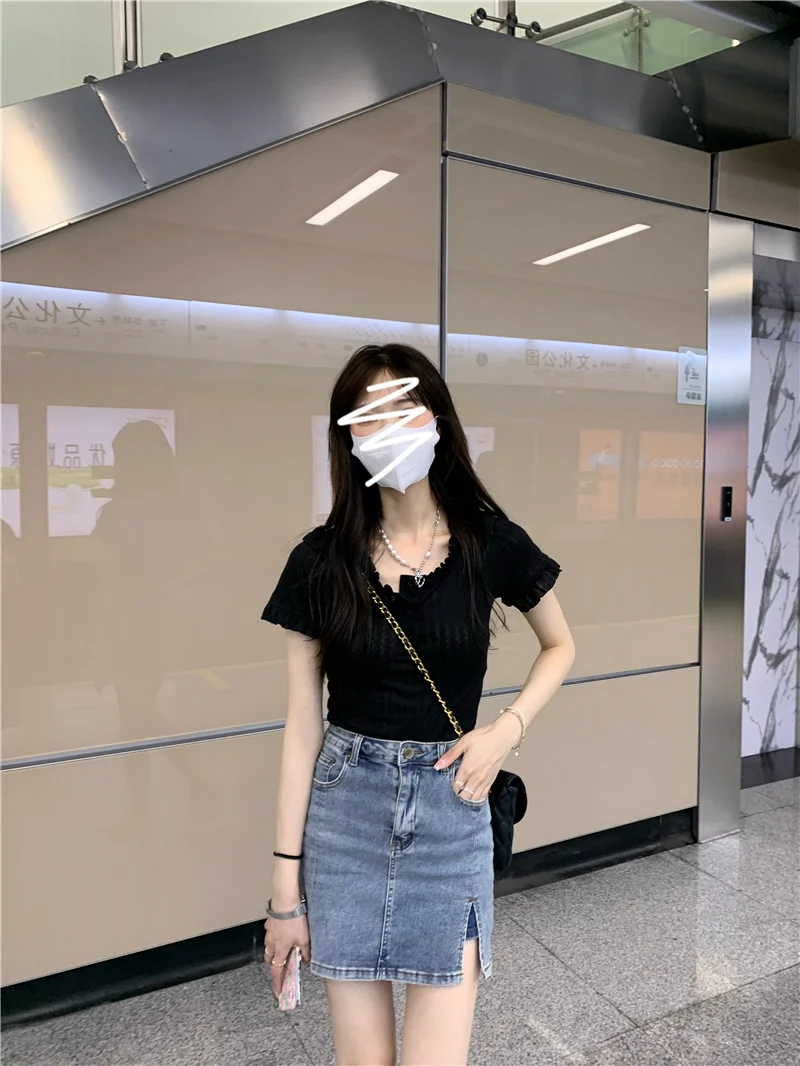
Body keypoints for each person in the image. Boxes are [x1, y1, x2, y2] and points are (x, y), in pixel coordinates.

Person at [262, 344, 575, 1066]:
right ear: (348, 438)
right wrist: (284, 894)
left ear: (437, 419)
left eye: (405, 408)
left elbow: (561, 646)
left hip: (450, 809)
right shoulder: (319, 562)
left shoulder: (490, 543)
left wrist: (505, 729)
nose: (391, 429)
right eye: (369, 416)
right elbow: (302, 728)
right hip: (346, 815)